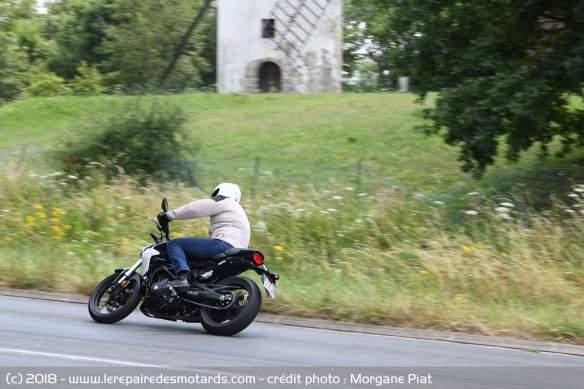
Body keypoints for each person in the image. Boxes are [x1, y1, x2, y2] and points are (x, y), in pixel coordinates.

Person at [157, 183, 250, 290]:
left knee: (175, 244)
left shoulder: (223, 201)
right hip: (238, 252)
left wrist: (168, 215)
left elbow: (196, 208)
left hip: (224, 244)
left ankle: (182, 277)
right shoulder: (239, 212)